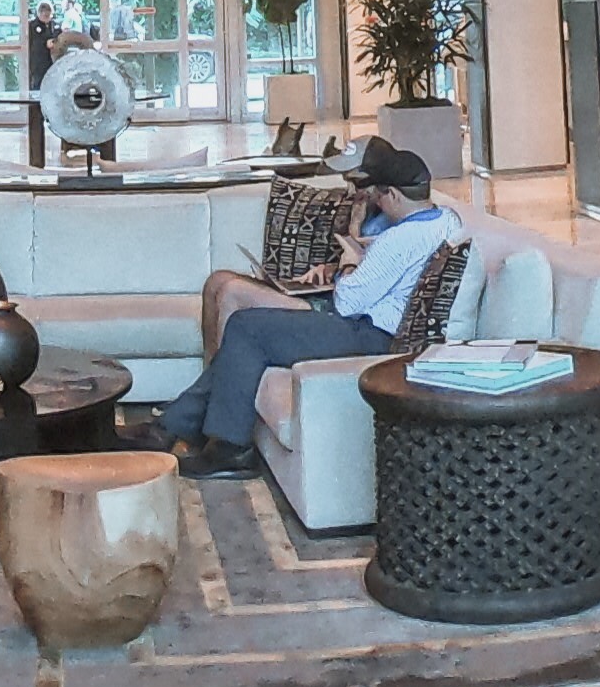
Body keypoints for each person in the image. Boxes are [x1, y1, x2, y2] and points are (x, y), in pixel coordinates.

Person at [156, 137, 461, 476]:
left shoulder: (398, 239)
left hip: (370, 334)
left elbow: (346, 302)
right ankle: (179, 427)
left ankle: (226, 448)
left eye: (379, 194)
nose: (375, 199)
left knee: (246, 327)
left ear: (392, 195)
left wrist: (349, 263)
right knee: (247, 330)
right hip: (376, 326)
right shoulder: (446, 220)